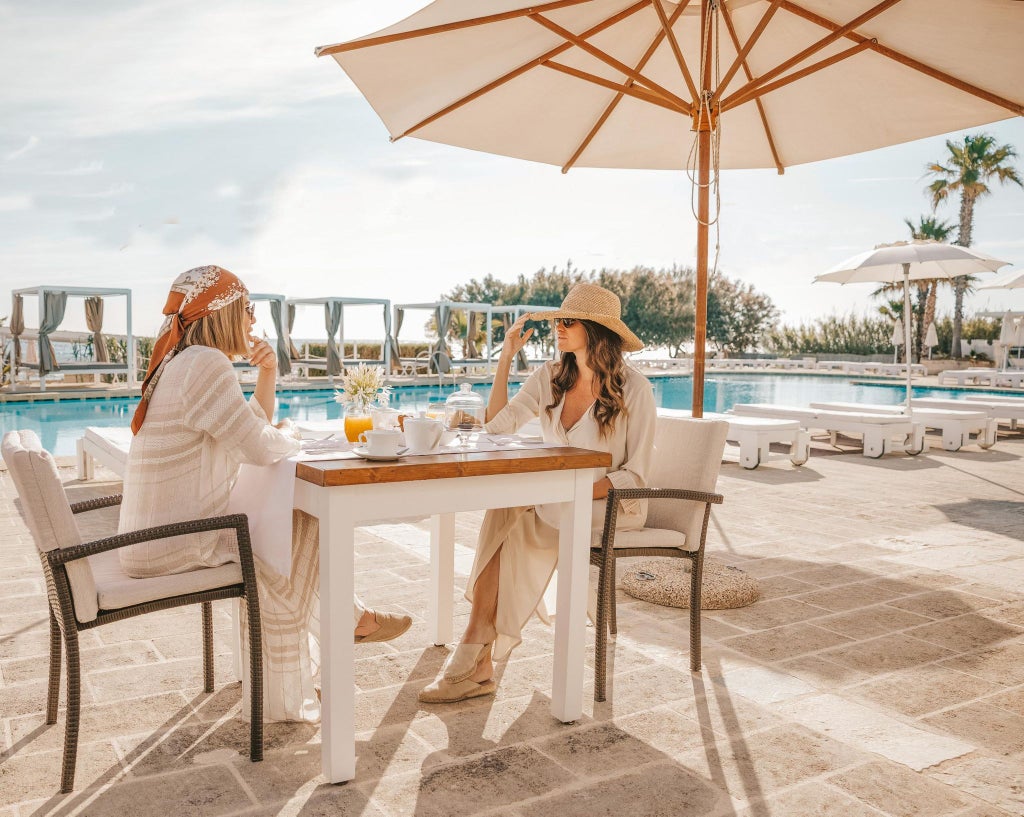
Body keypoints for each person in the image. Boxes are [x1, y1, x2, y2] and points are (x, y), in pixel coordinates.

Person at [119, 265, 411, 722]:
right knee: (300, 527)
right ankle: (351, 622)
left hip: (146, 538)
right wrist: (293, 435)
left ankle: (351, 620)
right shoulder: (205, 364)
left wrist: (269, 372)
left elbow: (245, 426)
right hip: (176, 542)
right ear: (225, 312)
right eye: (248, 308)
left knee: (282, 530)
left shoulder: (181, 360)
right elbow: (257, 445)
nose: (253, 319)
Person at [419, 283, 655, 704]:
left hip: (611, 507)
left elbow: (636, 476)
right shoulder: (552, 377)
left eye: (567, 321)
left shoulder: (635, 389)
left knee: (516, 516)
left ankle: (476, 654)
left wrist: (575, 489)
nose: (557, 329)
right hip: (558, 500)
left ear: (596, 331)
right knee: (507, 506)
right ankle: (478, 652)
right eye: (557, 321)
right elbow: (496, 426)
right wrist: (506, 358)